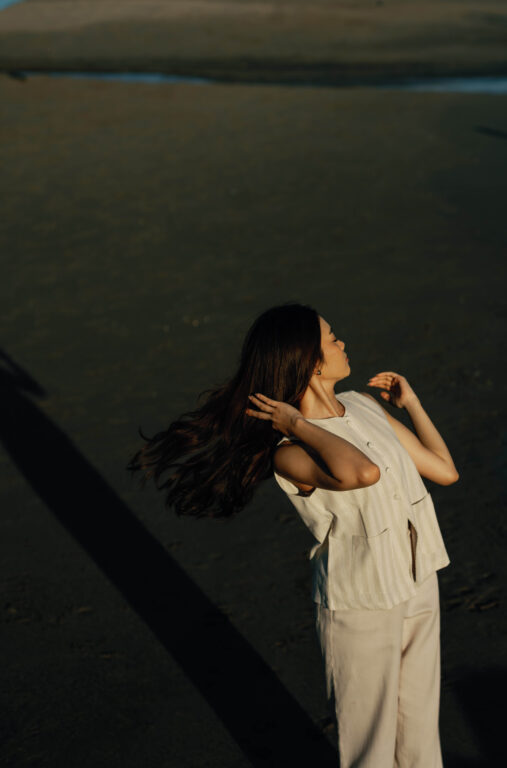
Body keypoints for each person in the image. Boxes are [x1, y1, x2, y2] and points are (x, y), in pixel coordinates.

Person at [130, 303, 458, 768]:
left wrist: (414, 406)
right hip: (361, 602)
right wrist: (298, 424)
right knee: (371, 748)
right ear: (310, 360)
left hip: (419, 580)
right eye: (332, 337)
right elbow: (359, 472)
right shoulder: (289, 453)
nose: (342, 342)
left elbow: (444, 471)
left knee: (422, 735)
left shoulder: (364, 406)